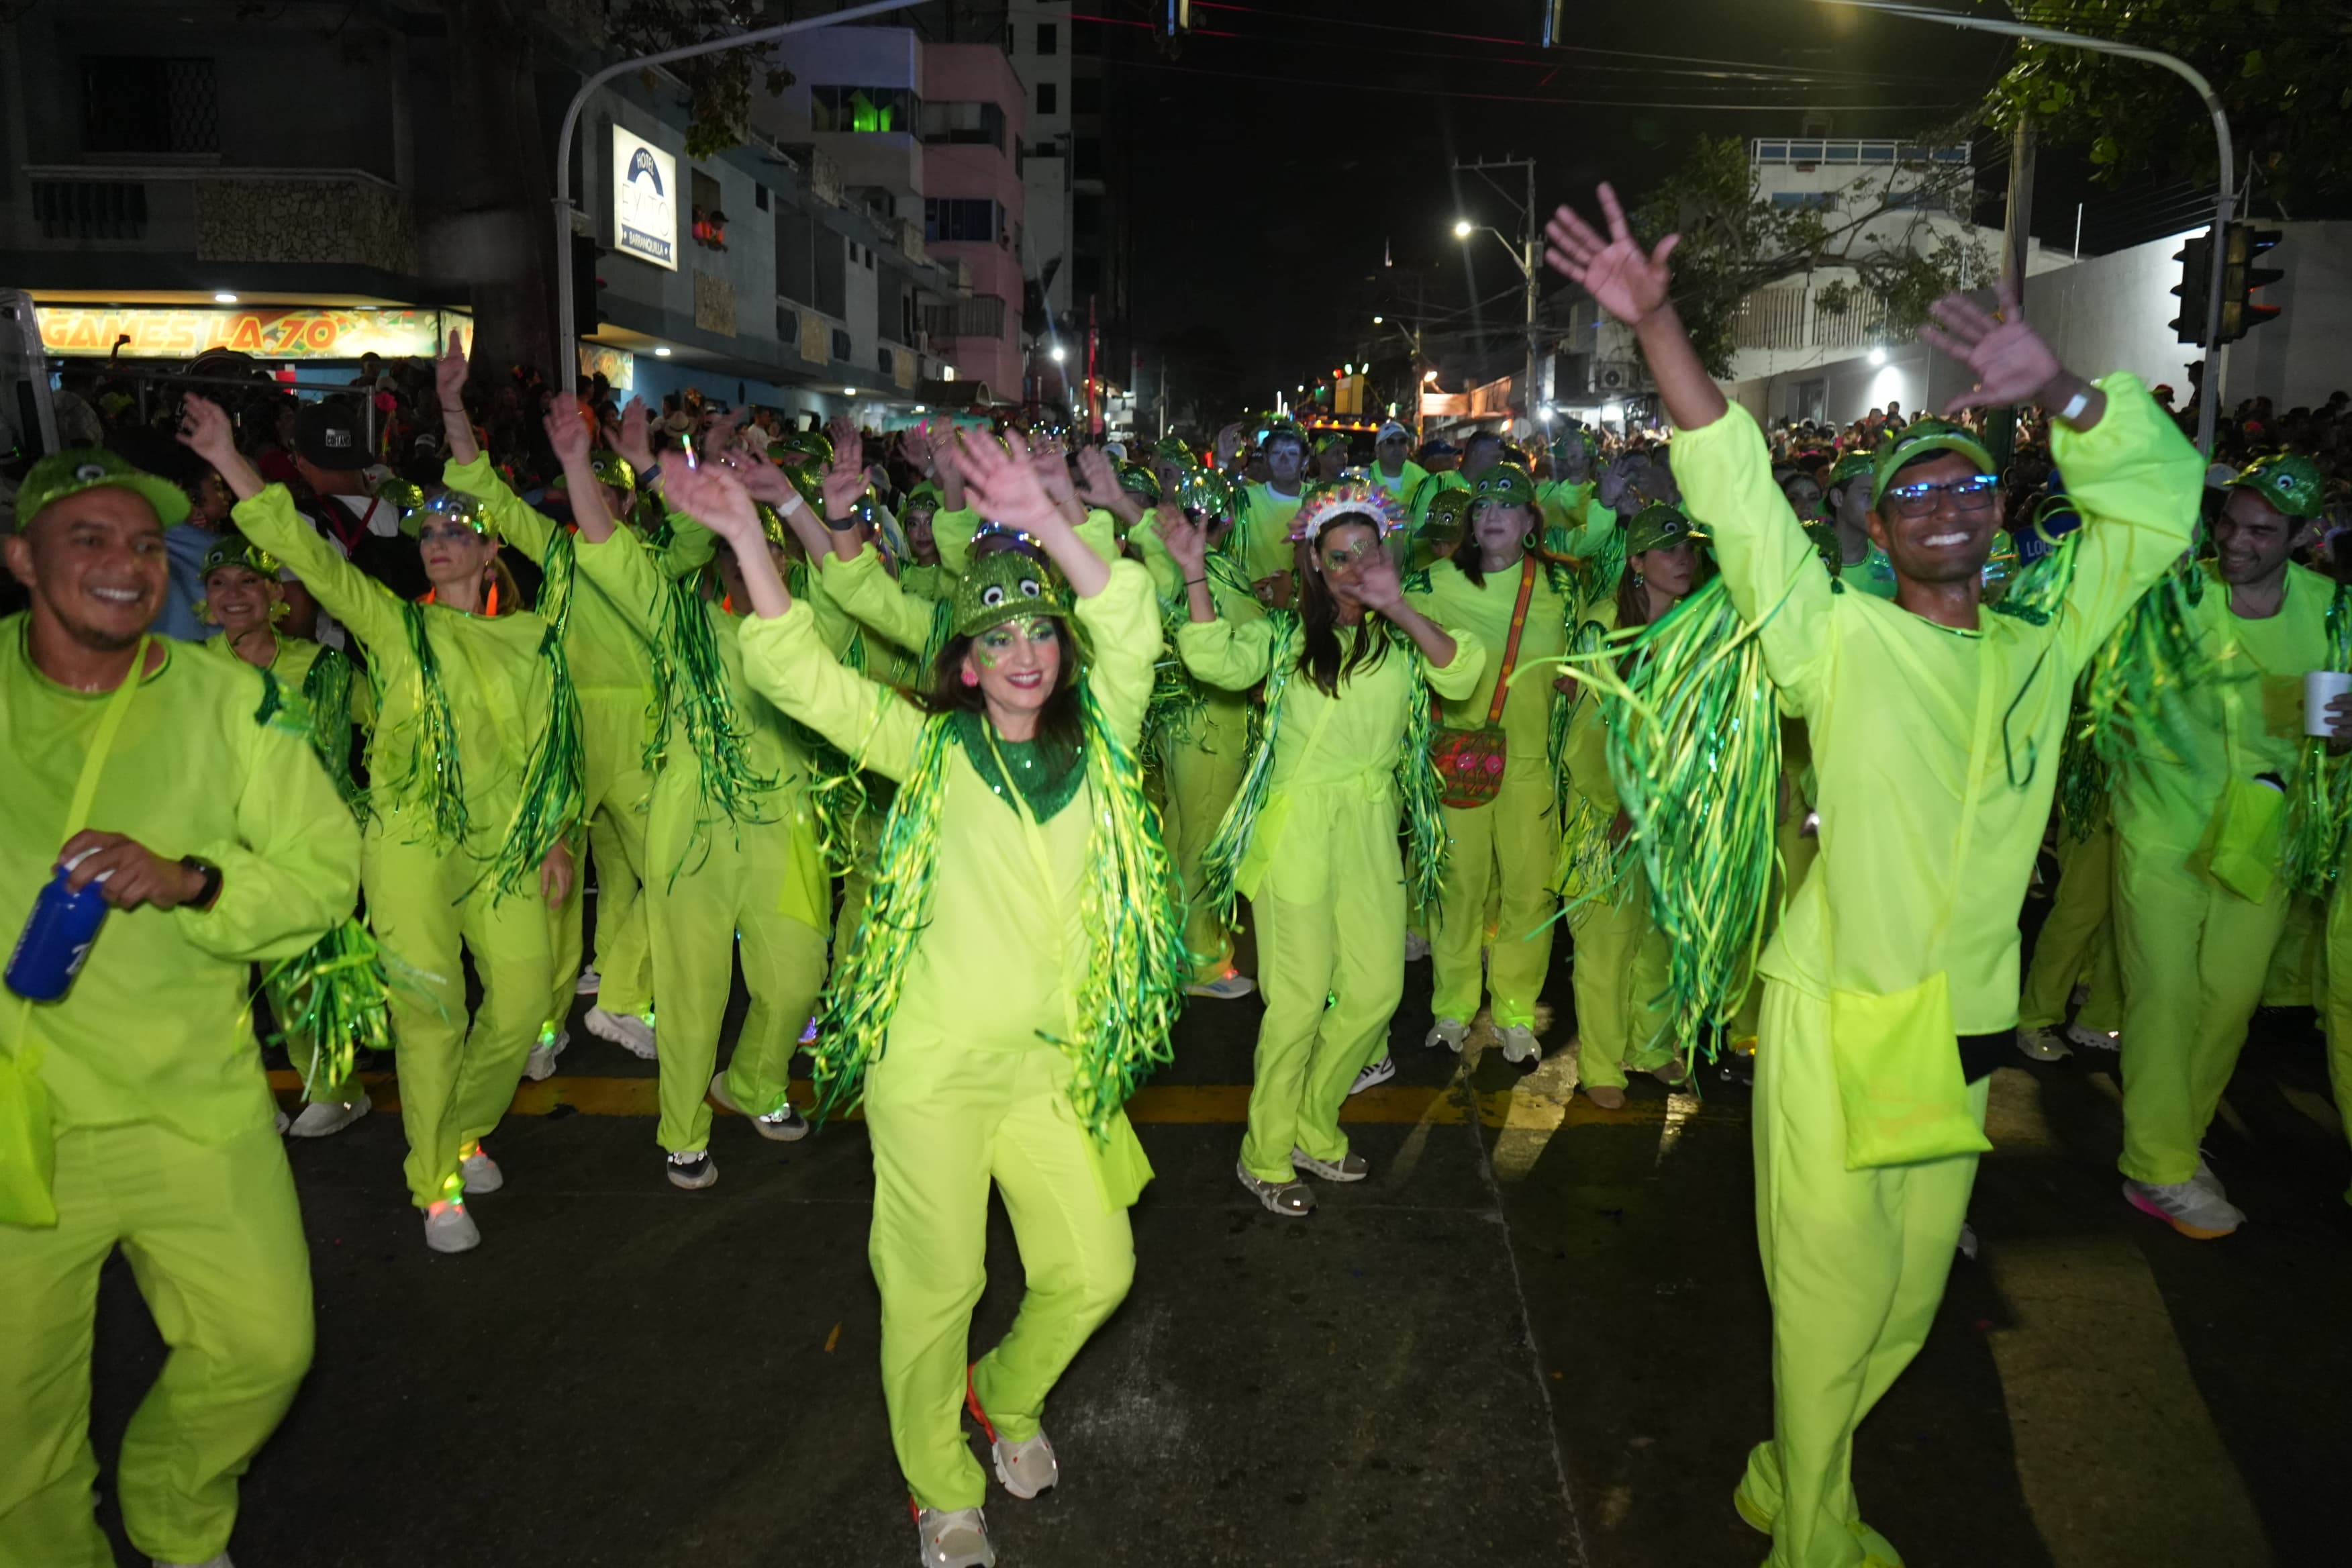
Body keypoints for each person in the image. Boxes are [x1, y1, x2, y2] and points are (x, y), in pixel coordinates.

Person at [1545, 183, 2200, 1568]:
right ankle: (1817, 1536)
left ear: (1998, 514)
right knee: (1836, 1296)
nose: (1949, 501)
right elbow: (1731, 492)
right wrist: (1658, 327)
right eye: (1917, 491)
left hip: (1957, 1032)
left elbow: (2152, 523)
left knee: (1903, 1309)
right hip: (1839, 1014)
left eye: (1970, 481)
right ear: (1881, 533)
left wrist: (2072, 396)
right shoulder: (1832, 640)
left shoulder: (2042, 640)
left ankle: (1792, 1464)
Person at [688, 434, 1181, 1568]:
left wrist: (1049, 520)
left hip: (1056, 1070)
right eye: (996, 637)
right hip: (933, 1073)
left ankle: (1004, 1396)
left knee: (1094, 1271)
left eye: (1037, 631)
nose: (1022, 653)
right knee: (935, 1280)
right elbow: (800, 675)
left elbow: (1135, 628)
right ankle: (937, 1481)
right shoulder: (930, 751)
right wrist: (742, 540)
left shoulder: (1103, 744)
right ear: (964, 663)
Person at [0, 447, 360, 1568]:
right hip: (20, 1124)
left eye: (148, 545)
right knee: (14, 1424)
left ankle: (173, 1507)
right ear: (23, 557)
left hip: (192, 1107)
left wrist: (196, 880)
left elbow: (321, 872)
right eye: (90, 539)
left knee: (264, 1348)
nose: (125, 565)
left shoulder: (231, 699)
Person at [183, 394, 575, 1256]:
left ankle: (463, 1128)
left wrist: (553, 835)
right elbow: (306, 558)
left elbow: (552, 746)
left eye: (455, 530)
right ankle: (434, 1182)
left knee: (520, 998)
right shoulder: (397, 625)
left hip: (501, 842)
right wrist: (232, 459)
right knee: (429, 1012)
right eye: (427, 531)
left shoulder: (533, 638)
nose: (437, 540)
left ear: (490, 547)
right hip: (405, 839)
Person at [1163, 482, 1485, 1217]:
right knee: (1298, 1001)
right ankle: (1266, 1149)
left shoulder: (1403, 636)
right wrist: (1193, 574)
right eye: (1337, 556)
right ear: (1313, 561)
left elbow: (1462, 671)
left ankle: (1314, 1117)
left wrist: (1398, 603)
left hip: (1372, 829)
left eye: (1365, 552)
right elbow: (1217, 659)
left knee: (1377, 990)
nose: (1352, 567)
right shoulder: (1282, 637)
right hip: (1297, 832)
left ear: (1385, 553)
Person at [556, 407, 825, 1191]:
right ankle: (683, 1127)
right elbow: (614, 556)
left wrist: (795, 507)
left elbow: (849, 570)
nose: (755, 561)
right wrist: (595, 463)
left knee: (795, 979)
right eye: (744, 549)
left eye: (770, 547)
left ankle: (753, 1082)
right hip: (693, 831)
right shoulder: (683, 623)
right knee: (693, 990)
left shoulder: (810, 627)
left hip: (784, 829)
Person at [2110, 452, 2341, 1238]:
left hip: (2262, 841)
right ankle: (2159, 1165)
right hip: (2161, 830)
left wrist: (2343, 738)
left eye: (2260, 531)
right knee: (2167, 997)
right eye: (2229, 523)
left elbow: (2339, 723)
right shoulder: (2175, 599)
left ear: (2302, 537)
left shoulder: (2333, 610)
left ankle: (2177, 1134)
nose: (2235, 541)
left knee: (2228, 1004)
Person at [436, 336, 658, 1073]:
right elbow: (486, 492)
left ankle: (620, 995)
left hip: (639, 734)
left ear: (629, 499)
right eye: (587, 488)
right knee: (556, 882)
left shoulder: (654, 561)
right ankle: (543, 1025)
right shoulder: (557, 551)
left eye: (613, 489)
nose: (599, 501)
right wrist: (450, 405)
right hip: (563, 728)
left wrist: (652, 455)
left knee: (673, 871)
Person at [191, 530, 375, 1134]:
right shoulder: (188, 675)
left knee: (297, 972)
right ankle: (250, 1096)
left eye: (249, 582)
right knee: (218, 983)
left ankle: (334, 1087)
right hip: (215, 846)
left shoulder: (321, 667)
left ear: (275, 595)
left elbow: (388, 722)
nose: (234, 595)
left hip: (303, 845)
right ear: (206, 599)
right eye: (220, 583)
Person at [1404, 464, 1574, 1070]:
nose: (1493, 517)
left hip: (1529, 763)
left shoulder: (1561, 588)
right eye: (1481, 509)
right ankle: (1451, 1008)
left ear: (1531, 519)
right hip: (1460, 758)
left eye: (1507, 507)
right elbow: (1389, 627)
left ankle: (1516, 1014)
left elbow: (1589, 651)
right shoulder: (1434, 582)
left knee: (1529, 891)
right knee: (1458, 888)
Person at [1561, 503, 1702, 1108]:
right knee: (1606, 942)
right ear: (1638, 562)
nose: (1684, 560)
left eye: (1689, 548)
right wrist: (1619, 802)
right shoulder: (1603, 626)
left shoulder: (1696, 626)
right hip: (1608, 810)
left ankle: (1651, 1047)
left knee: (1661, 936)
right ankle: (1600, 1065)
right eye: (1668, 550)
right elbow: (1590, 731)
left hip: (1671, 807)